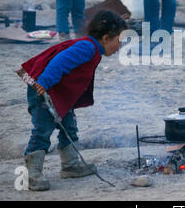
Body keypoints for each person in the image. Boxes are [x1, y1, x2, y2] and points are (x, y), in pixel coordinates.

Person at [16, 10, 127, 191]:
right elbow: (60, 62)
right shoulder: (87, 48)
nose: (120, 46)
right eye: (119, 41)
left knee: (69, 127)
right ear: (106, 38)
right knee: (42, 130)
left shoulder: (93, 49)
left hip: (58, 94)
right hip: (44, 90)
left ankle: (70, 165)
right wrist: (44, 83)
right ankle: (32, 174)